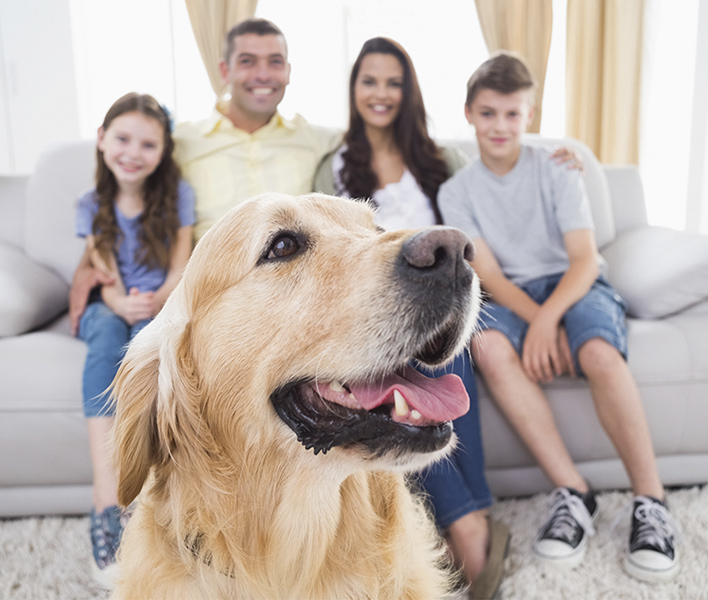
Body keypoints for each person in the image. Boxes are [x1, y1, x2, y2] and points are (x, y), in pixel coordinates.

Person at [314, 37, 577, 599]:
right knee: (398, 378)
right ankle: (469, 526)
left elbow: (493, 187)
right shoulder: (331, 166)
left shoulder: (441, 161)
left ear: (409, 92)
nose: (381, 93)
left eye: (393, 82)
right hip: (377, 310)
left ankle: (469, 520)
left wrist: (557, 165)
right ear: (354, 90)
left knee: (464, 346)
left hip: (448, 303)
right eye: (370, 81)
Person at [438, 51, 680, 584]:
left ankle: (652, 501)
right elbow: (493, 278)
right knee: (490, 347)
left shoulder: (558, 167)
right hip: (513, 297)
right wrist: (538, 321)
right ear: (469, 114)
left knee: (597, 351)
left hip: (576, 286)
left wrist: (551, 320)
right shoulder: (457, 192)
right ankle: (574, 491)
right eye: (487, 113)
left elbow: (583, 260)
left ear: (530, 115)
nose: (499, 126)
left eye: (511, 114)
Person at [69, 18, 342, 332]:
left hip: (295, 288)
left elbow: (376, 134)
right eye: (248, 61)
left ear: (289, 72)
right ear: (225, 71)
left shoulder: (315, 138)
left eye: (275, 62)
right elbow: (122, 194)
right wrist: (86, 267)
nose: (263, 74)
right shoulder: (182, 142)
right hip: (215, 292)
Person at [76, 92, 194, 583]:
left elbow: (182, 263)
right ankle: (107, 503)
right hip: (111, 301)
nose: (133, 152)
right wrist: (121, 301)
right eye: (122, 138)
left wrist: (157, 301)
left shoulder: (178, 194)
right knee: (106, 335)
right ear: (102, 140)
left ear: (163, 151)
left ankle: (147, 500)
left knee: (148, 345)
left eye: (147, 144)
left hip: (159, 299)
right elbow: (101, 264)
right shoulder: (90, 204)